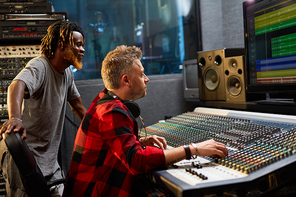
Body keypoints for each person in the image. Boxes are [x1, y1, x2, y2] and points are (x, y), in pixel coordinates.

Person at [63, 45, 228, 197]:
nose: (147, 79)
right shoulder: (111, 112)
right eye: (142, 74)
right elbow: (137, 161)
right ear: (126, 80)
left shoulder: (103, 100)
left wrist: (139, 142)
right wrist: (192, 149)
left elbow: (111, 146)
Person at [0, 21, 87, 197]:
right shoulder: (41, 65)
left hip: (48, 159)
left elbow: (77, 106)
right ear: (61, 45)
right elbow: (15, 85)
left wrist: (102, 130)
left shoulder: (67, 73)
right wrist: (16, 118)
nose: (82, 50)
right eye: (78, 45)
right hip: (22, 155)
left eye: (82, 45)